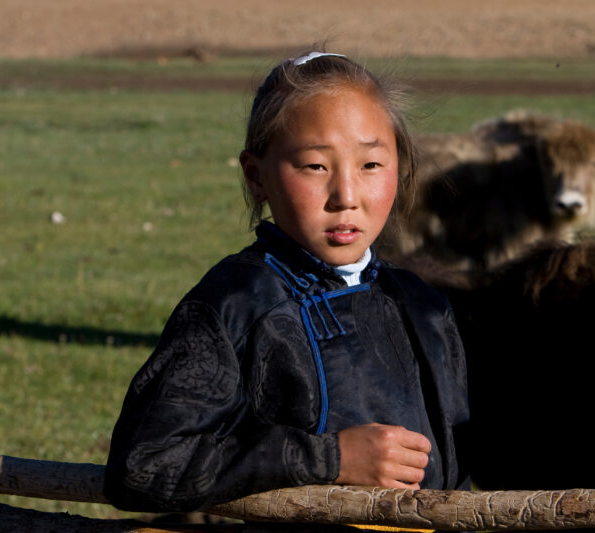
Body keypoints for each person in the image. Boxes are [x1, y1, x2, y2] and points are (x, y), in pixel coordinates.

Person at [104, 51, 470, 514]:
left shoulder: (423, 305)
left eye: (371, 165)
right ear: (256, 176)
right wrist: (330, 459)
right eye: (315, 166)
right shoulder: (237, 304)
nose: (346, 196)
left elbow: (457, 474)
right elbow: (143, 466)